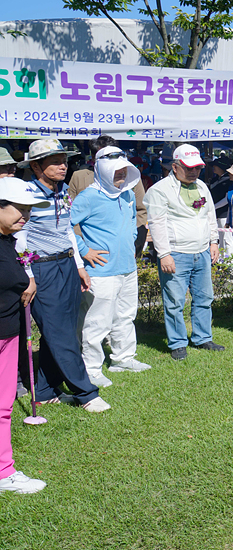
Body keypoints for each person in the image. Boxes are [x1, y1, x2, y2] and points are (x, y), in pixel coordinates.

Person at [15, 139, 107, 412]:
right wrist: (29, 276)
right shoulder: (26, 194)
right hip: (42, 269)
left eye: (64, 160)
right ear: (35, 166)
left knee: (62, 330)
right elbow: (21, 239)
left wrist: (78, 265)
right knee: (60, 334)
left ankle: (44, 389)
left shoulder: (64, 191)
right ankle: (86, 392)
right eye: (54, 161)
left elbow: (68, 230)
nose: (62, 166)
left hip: (66, 264)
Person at [69, 145, 151, 388]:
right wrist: (84, 251)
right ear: (102, 170)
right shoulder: (88, 197)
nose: (121, 175)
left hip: (127, 266)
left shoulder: (126, 194)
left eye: (124, 171)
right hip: (101, 271)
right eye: (116, 172)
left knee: (125, 315)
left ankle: (123, 358)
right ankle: (91, 368)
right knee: (97, 322)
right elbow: (67, 228)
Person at [144, 144, 224, 361]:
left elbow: (210, 215)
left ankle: (202, 337)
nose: (194, 172)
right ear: (175, 166)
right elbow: (157, 224)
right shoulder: (159, 190)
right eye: (189, 168)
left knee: (204, 297)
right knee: (175, 301)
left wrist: (214, 242)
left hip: (202, 252)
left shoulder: (202, 187)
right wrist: (164, 254)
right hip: (176, 253)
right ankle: (178, 342)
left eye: (197, 168)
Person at [0, 177, 49, 494]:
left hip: (9, 333)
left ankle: (4, 472)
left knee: (3, 407)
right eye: (19, 208)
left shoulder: (10, 242)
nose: (26, 215)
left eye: (30, 209)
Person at [67, 135, 149, 259]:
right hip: (92, 252)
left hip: (124, 252)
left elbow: (140, 211)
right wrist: (84, 247)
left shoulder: (129, 179)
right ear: (95, 157)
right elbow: (70, 219)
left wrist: (133, 244)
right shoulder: (79, 178)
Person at [207, 157, 233, 258]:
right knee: (218, 238)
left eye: (215, 166)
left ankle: (230, 261)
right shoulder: (214, 179)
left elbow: (227, 198)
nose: (213, 168)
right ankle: (220, 260)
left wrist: (213, 207)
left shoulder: (229, 180)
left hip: (224, 213)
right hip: (215, 214)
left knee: (227, 239)